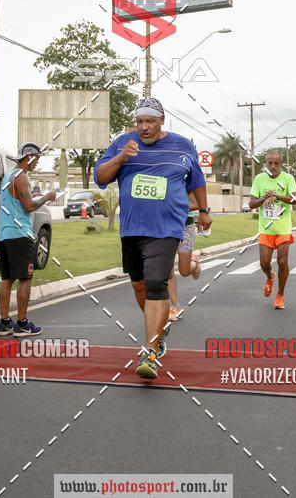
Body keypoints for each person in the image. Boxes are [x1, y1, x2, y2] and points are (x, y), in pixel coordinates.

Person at [94, 97, 211, 379]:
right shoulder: (123, 143)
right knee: (139, 286)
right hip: (132, 228)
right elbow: (100, 177)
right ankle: (158, 329)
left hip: (166, 228)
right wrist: (121, 158)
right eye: (140, 122)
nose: (144, 127)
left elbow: (197, 181)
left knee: (157, 283)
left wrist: (204, 210)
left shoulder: (183, 145)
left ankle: (150, 352)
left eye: (150, 121)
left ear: (162, 121)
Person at [0, 143, 56, 337]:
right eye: (36, 159)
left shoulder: (8, 176)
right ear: (29, 157)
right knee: (25, 278)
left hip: (5, 235)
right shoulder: (22, 178)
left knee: (7, 279)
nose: (37, 163)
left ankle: (4, 323)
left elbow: (14, 201)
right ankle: (22, 324)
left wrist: (34, 195)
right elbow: (29, 206)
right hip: (20, 235)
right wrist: (46, 197)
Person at [249, 149, 296, 310]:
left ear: (281, 164)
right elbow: (251, 204)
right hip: (266, 230)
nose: (272, 166)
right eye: (270, 163)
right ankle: (270, 276)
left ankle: (280, 295)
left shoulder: (288, 178)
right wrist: (263, 198)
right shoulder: (259, 179)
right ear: (266, 163)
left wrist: (277, 197)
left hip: (283, 229)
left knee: (282, 261)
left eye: (276, 163)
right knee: (264, 263)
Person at [167, 195, 202, 322]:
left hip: (185, 221)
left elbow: (197, 201)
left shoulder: (186, 180)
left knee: (184, 271)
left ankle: (194, 263)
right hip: (165, 221)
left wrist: (173, 207)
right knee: (167, 267)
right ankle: (176, 307)